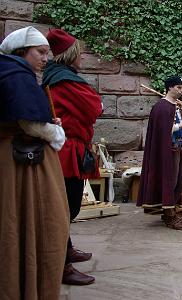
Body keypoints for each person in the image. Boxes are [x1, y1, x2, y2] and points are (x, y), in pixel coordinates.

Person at [0, 26, 69, 299]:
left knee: (19, 223)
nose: (45, 58)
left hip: (16, 156)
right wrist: (55, 133)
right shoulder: (16, 74)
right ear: (21, 52)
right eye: (40, 52)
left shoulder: (11, 72)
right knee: (42, 222)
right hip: (22, 164)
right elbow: (29, 122)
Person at [43, 28, 102, 285]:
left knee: (67, 206)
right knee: (65, 208)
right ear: (70, 55)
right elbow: (94, 107)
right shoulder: (65, 81)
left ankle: (65, 249)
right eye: (80, 53)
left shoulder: (59, 77)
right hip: (67, 150)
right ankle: (60, 265)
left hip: (71, 146)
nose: (83, 58)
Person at [137, 75, 182, 230]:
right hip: (169, 150)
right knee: (169, 182)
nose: (181, 90)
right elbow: (163, 130)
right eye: (178, 87)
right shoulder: (161, 107)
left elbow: (177, 125)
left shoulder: (175, 106)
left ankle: (171, 210)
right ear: (170, 87)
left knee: (180, 182)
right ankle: (169, 215)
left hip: (180, 147)